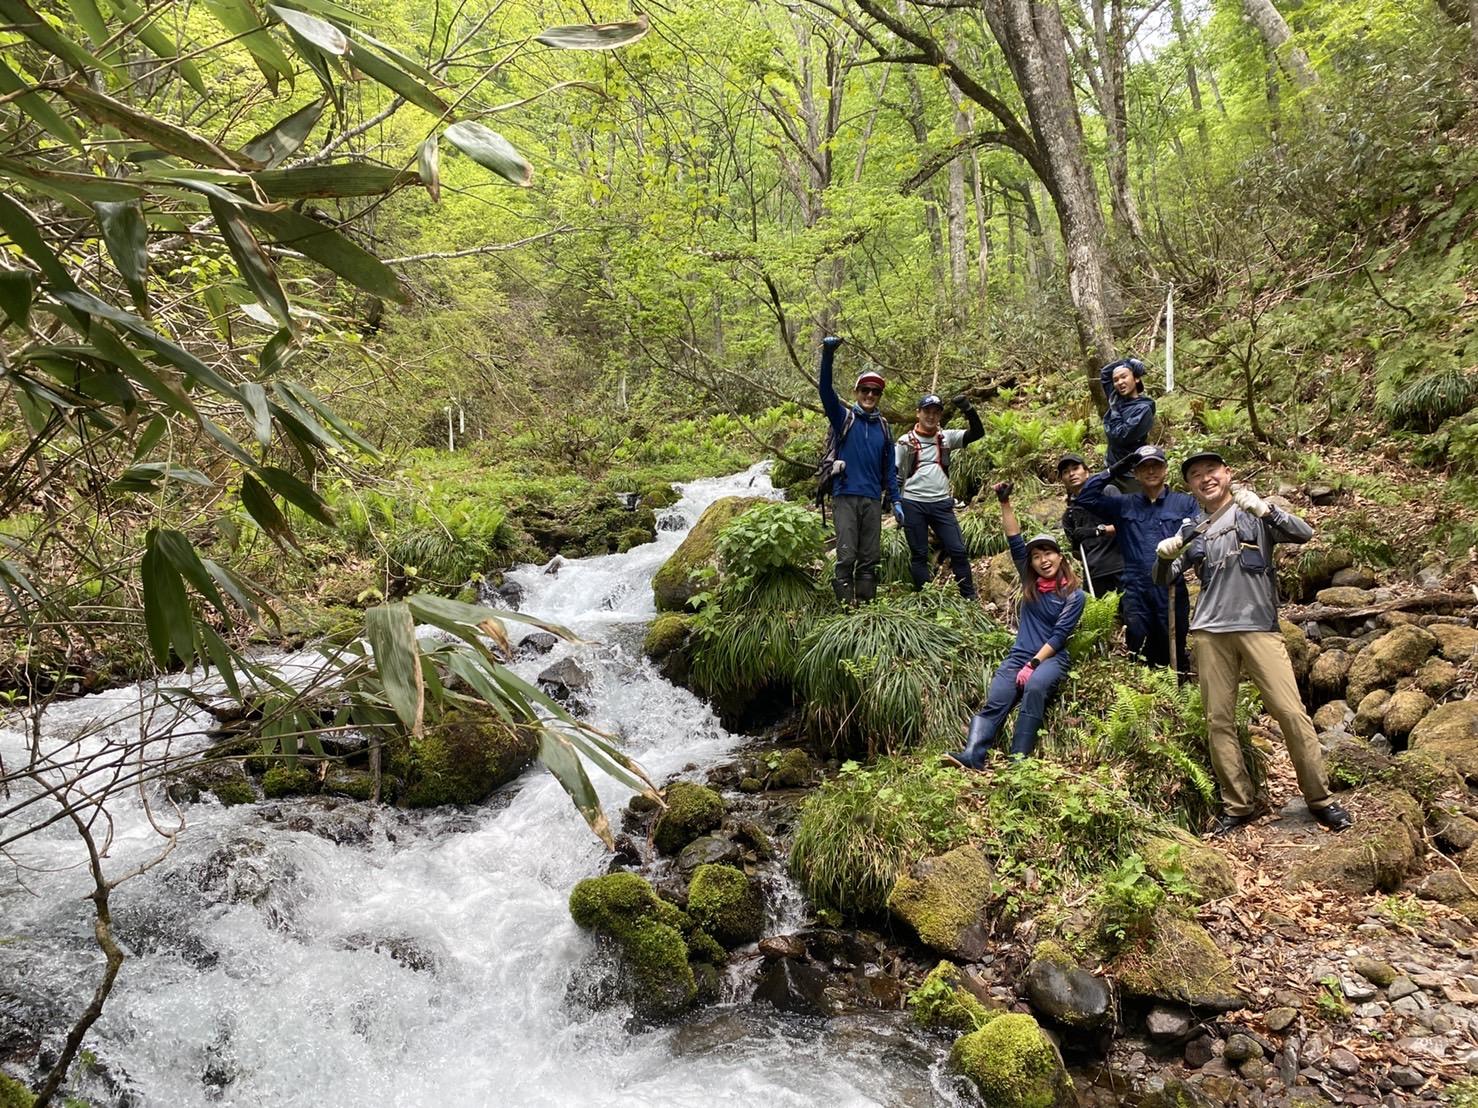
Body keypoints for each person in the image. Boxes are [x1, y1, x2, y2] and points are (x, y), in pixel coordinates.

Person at [1155, 450, 1354, 837]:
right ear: (1190, 486)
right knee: (1219, 721)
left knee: (1291, 713)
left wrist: (1267, 511)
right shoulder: (1193, 528)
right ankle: (1238, 805)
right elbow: (1164, 577)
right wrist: (1165, 557)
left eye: (1211, 470)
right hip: (1210, 631)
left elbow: (1304, 533)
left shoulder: (1253, 510)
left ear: (1226, 474)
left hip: (1259, 627)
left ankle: (1321, 799)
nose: (1205, 478)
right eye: (1196, 475)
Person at [944, 482, 1085, 766]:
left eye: (1048, 553)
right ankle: (973, 754)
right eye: (1036, 556)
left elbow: (1059, 637)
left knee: (1034, 689)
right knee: (998, 696)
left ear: (1060, 556)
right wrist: (1005, 503)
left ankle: (1018, 759)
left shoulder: (1074, 595)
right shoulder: (1029, 581)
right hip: (1019, 654)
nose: (1043, 560)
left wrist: (1032, 665)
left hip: (1051, 658)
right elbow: (1014, 539)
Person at [1075, 445, 1196, 672]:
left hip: (1171, 586)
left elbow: (1198, 533)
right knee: (1139, 643)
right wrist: (1112, 471)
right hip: (1135, 588)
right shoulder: (1124, 504)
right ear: (1136, 473)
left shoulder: (1184, 503)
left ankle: (1177, 689)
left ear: (1165, 469)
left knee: (1174, 638)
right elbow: (1086, 498)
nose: (1151, 471)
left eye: (1156, 465)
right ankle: (1145, 691)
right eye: (1144, 467)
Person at [818, 335, 903, 604]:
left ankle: (864, 607)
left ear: (879, 396)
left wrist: (897, 500)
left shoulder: (884, 427)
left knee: (869, 557)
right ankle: (845, 607)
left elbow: (889, 468)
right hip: (845, 495)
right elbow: (825, 391)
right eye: (864, 390)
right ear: (856, 393)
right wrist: (828, 356)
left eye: (875, 392)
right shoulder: (844, 417)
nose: (869, 395)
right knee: (846, 555)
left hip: (872, 500)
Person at [897, 393, 984, 599]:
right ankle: (927, 600)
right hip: (912, 503)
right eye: (927, 411)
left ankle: (969, 598)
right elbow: (894, 472)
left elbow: (977, 433)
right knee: (919, 555)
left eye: (936, 412)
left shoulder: (946, 438)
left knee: (958, 550)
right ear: (918, 413)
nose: (931, 416)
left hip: (941, 504)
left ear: (940, 416)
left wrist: (968, 409)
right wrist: (894, 502)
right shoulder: (904, 442)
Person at [1059, 453, 1122, 597]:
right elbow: (1078, 554)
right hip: (1094, 574)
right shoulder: (1069, 514)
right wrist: (1076, 543)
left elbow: (1128, 524)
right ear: (1063, 479)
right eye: (1066, 472)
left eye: (1075, 468)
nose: (1071, 474)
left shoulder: (1107, 492)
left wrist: (1098, 531)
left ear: (1086, 472)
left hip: (1121, 567)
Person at [1100, 357, 1155, 490]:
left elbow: (1120, 436)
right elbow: (1105, 373)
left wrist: (1114, 411)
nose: (1119, 382)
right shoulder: (1117, 399)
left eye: (1124, 377)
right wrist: (1127, 361)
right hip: (1111, 470)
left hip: (1131, 474)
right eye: (1116, 380)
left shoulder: (1143, 409)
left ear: (1136, 379)